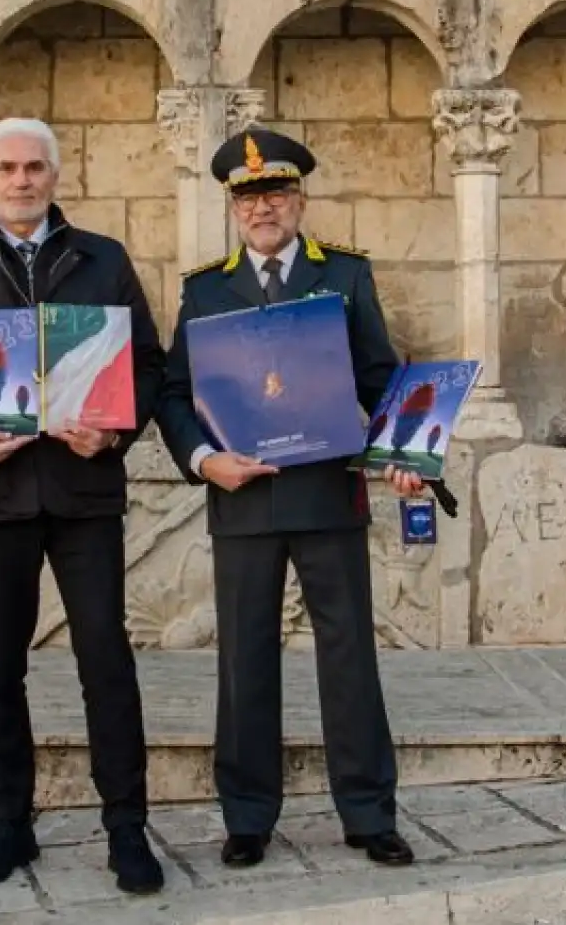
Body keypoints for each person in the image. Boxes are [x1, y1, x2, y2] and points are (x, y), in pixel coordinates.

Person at [0, 117, 168, 895]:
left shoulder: (103, 260)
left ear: (55, 176)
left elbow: (148, 367)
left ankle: (126, 826)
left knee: (105, 660)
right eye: (8, 169)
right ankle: (8, 825)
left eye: (34, 168)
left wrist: (114, 432)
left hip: (84, 494)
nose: (21, 181)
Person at [155, 126, 425, 870]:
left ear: (299, 199)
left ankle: (369, 812)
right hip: (242, 497)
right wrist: (205, 460)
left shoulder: (343, 276)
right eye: (247, 196)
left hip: (327, 493)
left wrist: (406, 456)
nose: (261, 207)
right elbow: (175, 394)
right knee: (243, 660)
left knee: (348, 657)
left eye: (274, 191)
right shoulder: (205, 288)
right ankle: (247, 817)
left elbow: (381, 381)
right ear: (232, 208)